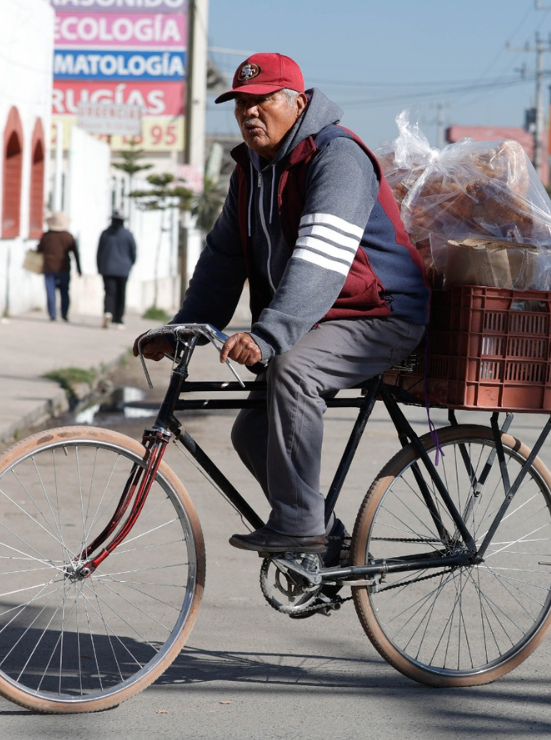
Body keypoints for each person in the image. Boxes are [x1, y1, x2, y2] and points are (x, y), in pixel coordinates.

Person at [136, 53, 429, 555]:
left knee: (294, 369)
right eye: (240, 104)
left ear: (297, 103)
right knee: (253, 430)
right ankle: (327, 542)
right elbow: (223, 258)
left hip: (382, 313)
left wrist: (269, 336)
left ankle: (300, 528)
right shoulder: (249, 172)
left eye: (263, 100)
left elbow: (320, 256)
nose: (249, 112)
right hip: (320, 320)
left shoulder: (337, 157)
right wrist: (183, 328)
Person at [97, 209, 137, 329]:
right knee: (121, 294)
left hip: (107, 269)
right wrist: (129, 265)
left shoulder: (105, 234)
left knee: (109, 293)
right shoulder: (128, 235)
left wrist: (99, 267)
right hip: (123, 269)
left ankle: (108, 312)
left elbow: (99, 252)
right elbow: (133, 253)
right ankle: (118, 319)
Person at [37, 212, 80, 322]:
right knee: (64, 291)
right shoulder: (68, 237)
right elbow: (76, 253)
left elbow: (39, 250)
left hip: (49, 267)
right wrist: (79, 268)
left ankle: (52, 314)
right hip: (63, 268)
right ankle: (64, 314)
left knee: (50, 291)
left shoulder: (46, 236)